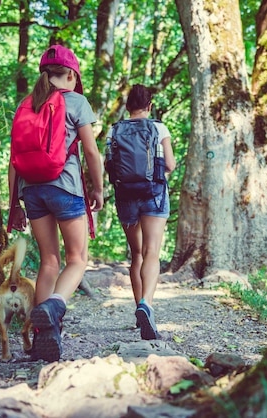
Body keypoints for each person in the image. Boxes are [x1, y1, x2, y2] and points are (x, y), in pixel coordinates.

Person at [8, 45, 104, 362]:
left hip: (31, 192)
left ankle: (42, 337)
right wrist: (99, 189)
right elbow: (91, 152)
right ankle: (55, 305)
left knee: (49, 261)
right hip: (64, 187)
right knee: (77, 259)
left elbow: (13, 162)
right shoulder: (76, 101)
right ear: (72, 76)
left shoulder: (27, 104)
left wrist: (14, 205)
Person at [106, 84, 176, 340]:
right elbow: (169, 164)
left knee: (136, 254)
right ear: (149, 106)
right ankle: (147, 304)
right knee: (151, 253)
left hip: (126, 197)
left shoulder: (114, 130)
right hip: (154, 195)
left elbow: (110, 167)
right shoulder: (159, 127)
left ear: (127, 107)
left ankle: (139, 308)